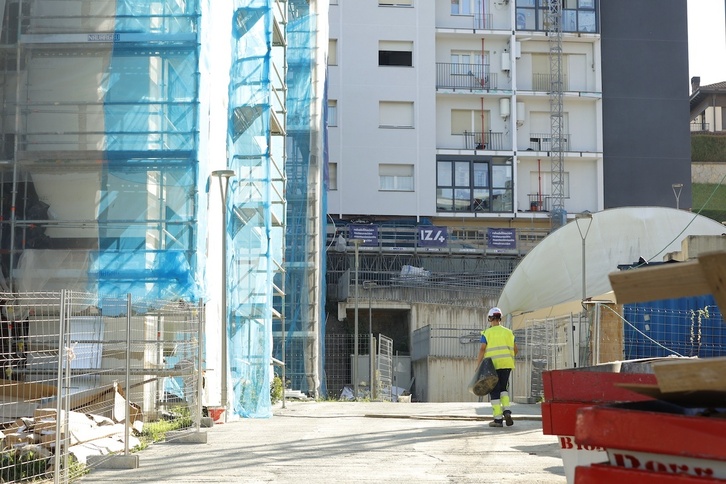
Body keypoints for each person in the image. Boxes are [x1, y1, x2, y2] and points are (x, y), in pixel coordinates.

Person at [476, 307, 518, 427]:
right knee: (503, 388)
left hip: (492, 366)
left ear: (490, 318)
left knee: (494, 390)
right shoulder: (509, 332)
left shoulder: (487, 333)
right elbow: (516, 350)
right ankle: (507, 411)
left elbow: (482, 349)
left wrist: (478, 364)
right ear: (500, 318)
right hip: (507, 364)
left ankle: (498, 419)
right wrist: (508, 357)